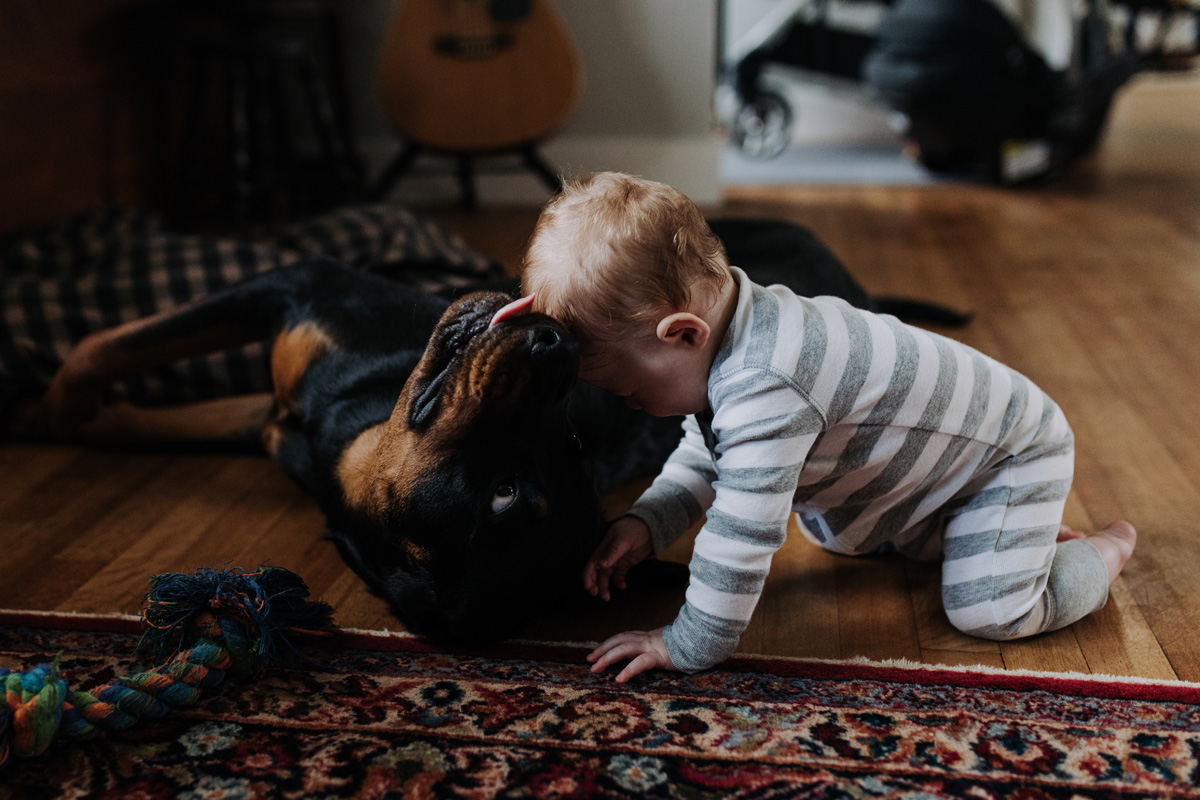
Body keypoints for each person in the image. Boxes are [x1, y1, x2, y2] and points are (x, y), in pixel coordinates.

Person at [521, 172, 1137, 682]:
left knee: (989, 608)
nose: (630, 407)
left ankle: (1099, 552)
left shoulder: (769, 380)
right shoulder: (733, 324)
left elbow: (738, 543)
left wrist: (683, 645)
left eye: (629, 392)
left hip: (1011, 453)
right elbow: (709, 452)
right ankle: (1001, 532)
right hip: (931, 465)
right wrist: (646, 522)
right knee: (838, 532)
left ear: (683, 333)